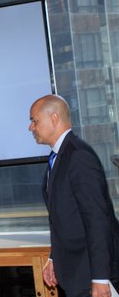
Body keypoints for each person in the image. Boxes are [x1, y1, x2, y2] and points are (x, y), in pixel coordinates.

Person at [29, 94, 119, 296]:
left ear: (53, 118)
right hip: (75, 271)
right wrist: (54, 258)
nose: (31, 128)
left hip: (90, 273)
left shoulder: (78, 156)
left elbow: (97, 219)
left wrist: (100, 279)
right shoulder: (60, 156)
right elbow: (66, 218)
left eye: (34, 121)